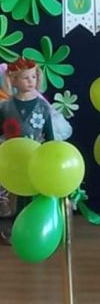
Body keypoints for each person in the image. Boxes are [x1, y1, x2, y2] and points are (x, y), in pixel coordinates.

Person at [0, 58, 57, 243]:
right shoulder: (5, 107)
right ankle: (14, 229)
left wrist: (51, 155)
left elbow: (49, 135)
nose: (31, 81)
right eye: (25, 78)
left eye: (33, 77)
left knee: (33, 194)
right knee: (14, 195)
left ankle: (35, 231)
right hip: (14, 160)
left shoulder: (42, 107)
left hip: (35, 158)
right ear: (14, 80)